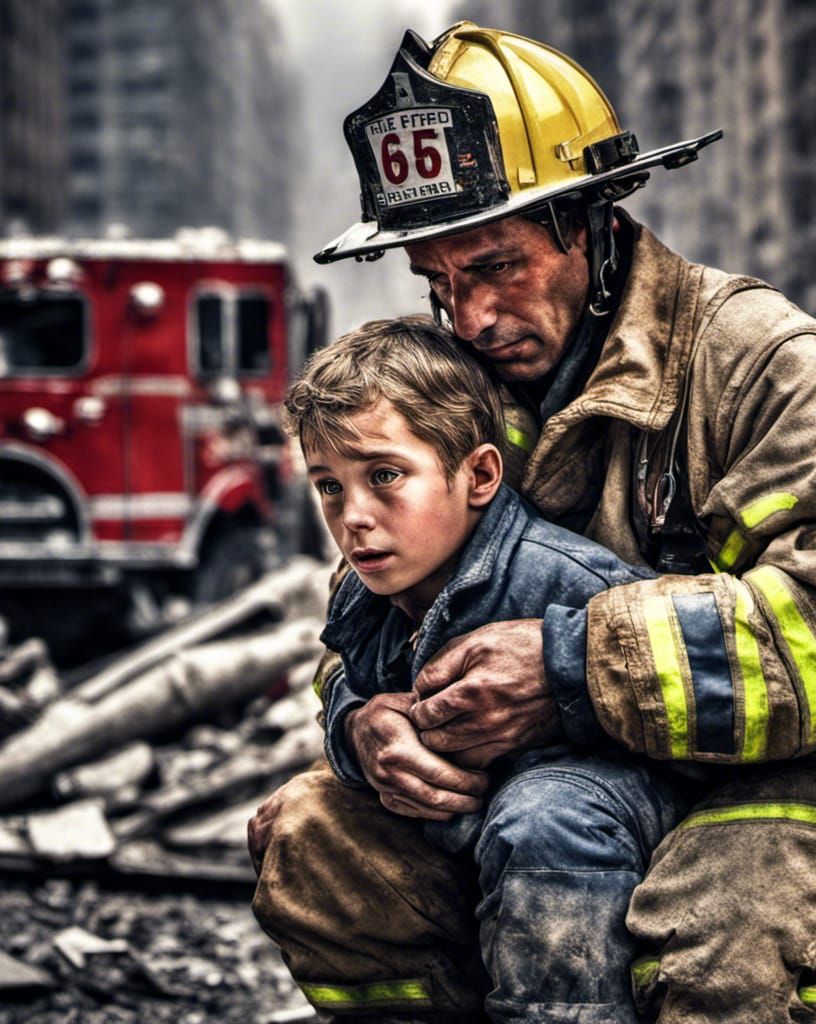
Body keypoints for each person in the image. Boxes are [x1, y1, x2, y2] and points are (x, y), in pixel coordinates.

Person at [250, 21, 816, 1024]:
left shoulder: (761, 368)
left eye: (498, 266)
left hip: (789, 792)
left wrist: (572, 668)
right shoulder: (462, 392)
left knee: (725, 930)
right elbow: (367, 612)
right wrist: (361, 725)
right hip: (538, 807)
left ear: (591, 224)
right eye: (439, 281)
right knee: (315, 839)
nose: (468, 318)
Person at [270, 314, 679, 1020]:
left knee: (545, 816)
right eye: (329, 486)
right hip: (471, 832)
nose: (353, 517)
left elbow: (670, 707)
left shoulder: (567, 581)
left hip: (587, 831)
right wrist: (354, 729)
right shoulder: (368, 591)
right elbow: (345, 686)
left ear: (480, 474)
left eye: (385, 476)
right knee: (291, 823)